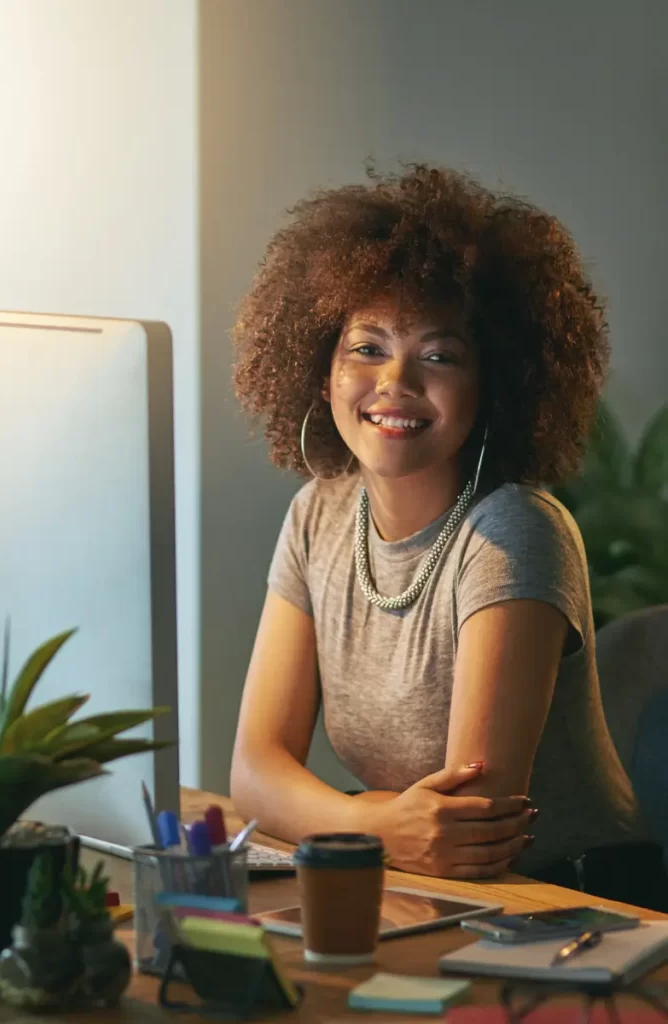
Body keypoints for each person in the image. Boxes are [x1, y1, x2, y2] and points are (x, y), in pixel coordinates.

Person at [230, 163, 668, 911]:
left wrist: (330, 819)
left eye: (439, 355)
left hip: (568, 907)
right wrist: (370, 821)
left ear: (495, 383)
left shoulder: (514, 532)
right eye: (367, 347)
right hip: (413, 883)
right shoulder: (318, 515)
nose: (395, 380)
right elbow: (253, 771)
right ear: (321, 366)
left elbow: (467, 830)